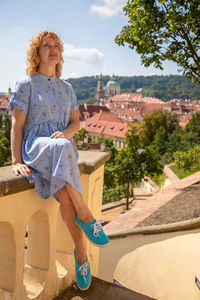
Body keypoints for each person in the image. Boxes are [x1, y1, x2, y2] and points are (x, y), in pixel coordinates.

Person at [8, 30, 109, 291]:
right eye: (46, 45)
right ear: (37, 53)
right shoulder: (26, 84)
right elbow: (17, 127)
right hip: (37, 148)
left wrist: (65, 133)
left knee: (66, 198)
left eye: (56, 45)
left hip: (62, 150)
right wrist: (16, 160)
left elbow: (76, 122)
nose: (52, 49)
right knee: (63, 147)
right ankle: (87, 215)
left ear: (60, 54)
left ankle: (80, 256)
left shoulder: (68, 88)